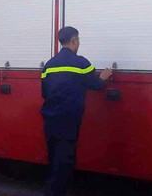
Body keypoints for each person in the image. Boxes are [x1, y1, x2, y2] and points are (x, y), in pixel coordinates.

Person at [40, 26, 113, 196]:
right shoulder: (80, 63)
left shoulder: (49, 66)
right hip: (69, 121)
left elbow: (45, 93)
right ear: (73, 40)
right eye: (78, 40)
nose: (79, 43)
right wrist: (104, 77)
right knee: (65, 161)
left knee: (53, 159)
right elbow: (95, 85)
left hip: (50, 120)